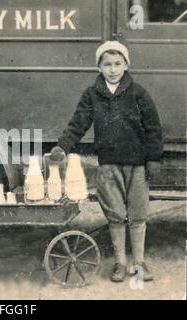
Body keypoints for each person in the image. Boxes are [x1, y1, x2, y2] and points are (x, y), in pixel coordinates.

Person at [51, 41, 163, 282]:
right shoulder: (92, 95)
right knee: (115, 214)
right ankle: (121, 263)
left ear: (125, 65)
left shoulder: (138, 93)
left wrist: (153, 157)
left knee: (137, 213)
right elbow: (78, 123)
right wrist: (62, 146)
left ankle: (140, 262)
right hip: (109, 164)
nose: (113, 69)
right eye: (107, 64)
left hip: (136, 164)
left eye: (118, 63)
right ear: (99, 67)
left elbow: (153, 127)